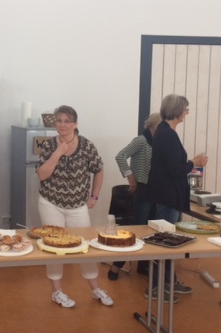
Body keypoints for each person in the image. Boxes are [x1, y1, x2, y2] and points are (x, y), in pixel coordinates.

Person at [36, 105, 112, 308]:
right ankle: (57, 292)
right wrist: (58, 153)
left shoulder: (86, 145)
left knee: (84, 245)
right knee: (53, 246)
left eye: (67, 121)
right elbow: (42, 175)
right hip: (50, 203)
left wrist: (94, 195)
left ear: (75, 124)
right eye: (59, 120)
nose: (62, 125)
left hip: (78, 205)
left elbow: (99, 170)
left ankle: (95, 288)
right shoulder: (49, 145)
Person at [146, 94, 208, 302]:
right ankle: (156, 287)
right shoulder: (167, 134)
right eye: (186, 110)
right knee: (164, 241)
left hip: (169, 195)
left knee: (170, 240)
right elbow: (175, 170)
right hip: (167, 196)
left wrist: (190, 163)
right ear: (178, 111)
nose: (187, 113)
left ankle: (169, 281)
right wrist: (194, 162)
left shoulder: (165, 132)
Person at [109, 112, 162, 280]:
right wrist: (130, 176)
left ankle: (143, 266)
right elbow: (120, 156)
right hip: (143, 191)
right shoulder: (141, 140)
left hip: (157, 192)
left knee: (152, 232)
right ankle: (116, 267)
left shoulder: (160, 142)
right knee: (137, 231)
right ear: (153, 126)